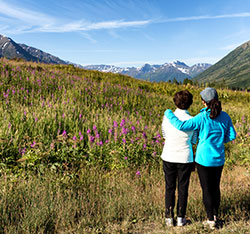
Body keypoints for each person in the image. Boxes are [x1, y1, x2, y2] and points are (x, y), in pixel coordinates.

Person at [164, 87, 236, 229]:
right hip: (219, 158)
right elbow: (232, 135)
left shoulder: (202, 117)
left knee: (206, 189)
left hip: (203, 159)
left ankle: (210, 220)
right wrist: (219, 140)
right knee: (216, 188)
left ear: (204, 102)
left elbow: (181, 125)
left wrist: (169, 113)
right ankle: (215, 216)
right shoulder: (225, 116)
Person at [161, 90, 197, 227]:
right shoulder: (193, 120)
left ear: (175, 102)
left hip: (169, 155)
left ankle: (168, 218)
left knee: (169, 187)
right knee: (183, 187)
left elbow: (164, 134)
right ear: (190, 103)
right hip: (185, 157)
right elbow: (194, 140)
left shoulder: (167, 118)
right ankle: (181, 217)